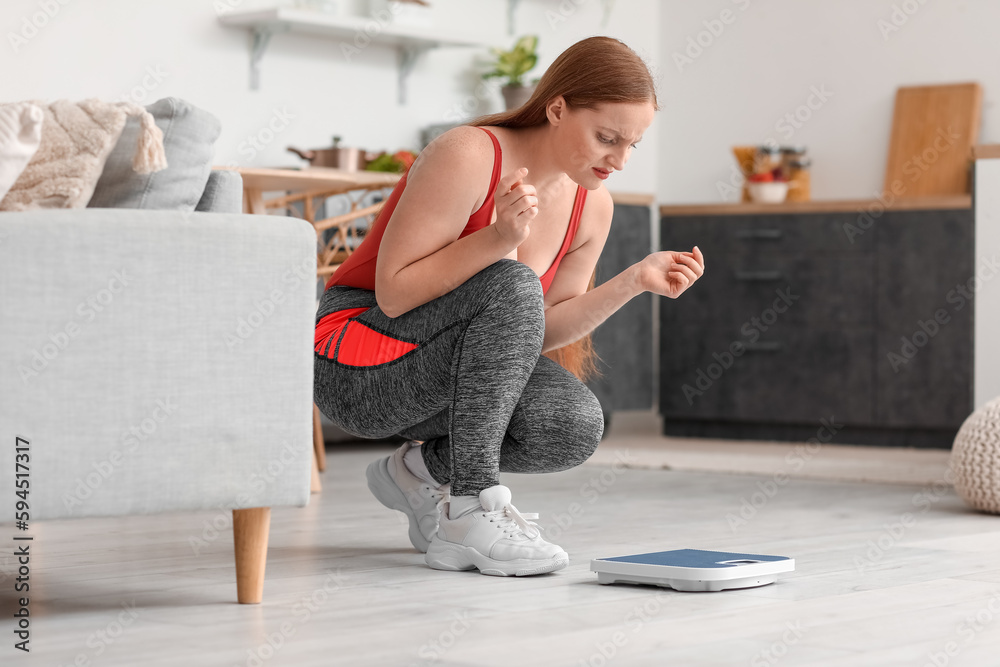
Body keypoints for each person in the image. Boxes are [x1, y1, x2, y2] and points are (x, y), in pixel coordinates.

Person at [313, 36, 705, 577]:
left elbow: (525, 335)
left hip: (435, 373)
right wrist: (498, 239)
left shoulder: (593, 205)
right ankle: (469, 509)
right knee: (513, 281)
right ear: (557, 107)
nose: (618, 159)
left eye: (632, 145)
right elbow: (394, 292)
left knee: (571, 424)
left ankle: (417, 473)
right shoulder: (469, 153)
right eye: (606, 138)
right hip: (354, 362)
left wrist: (633, 281)